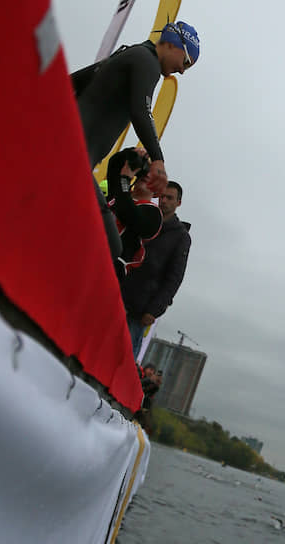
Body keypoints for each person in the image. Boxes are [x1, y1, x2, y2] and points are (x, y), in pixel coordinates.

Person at [71, 21, 200, 258]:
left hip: (70, 154)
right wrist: (158, 160)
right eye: (186, 63)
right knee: (109, 246)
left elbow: (71, 82)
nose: (182, 71)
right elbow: (141, 111)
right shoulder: (147, 62)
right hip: (73, 160)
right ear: (174, 45)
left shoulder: (130, 55)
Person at [120, 181, 191, 356]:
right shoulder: (143, 217)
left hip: (140, 309)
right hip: (117, 292)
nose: (164, 201)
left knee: (124, 355)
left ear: (178, 203)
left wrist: (154, 310)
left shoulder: (181, 237)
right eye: (161, 196)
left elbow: (174, 278)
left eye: (169, 198)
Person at [105, 147, 163, 282]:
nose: (148, 175)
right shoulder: (119, 193)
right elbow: (114, 164)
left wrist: (125, 179)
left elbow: (128, 214)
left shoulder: (154, 213)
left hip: (108, 270)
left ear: (158, 192)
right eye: (147, 172)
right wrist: (131, 154)